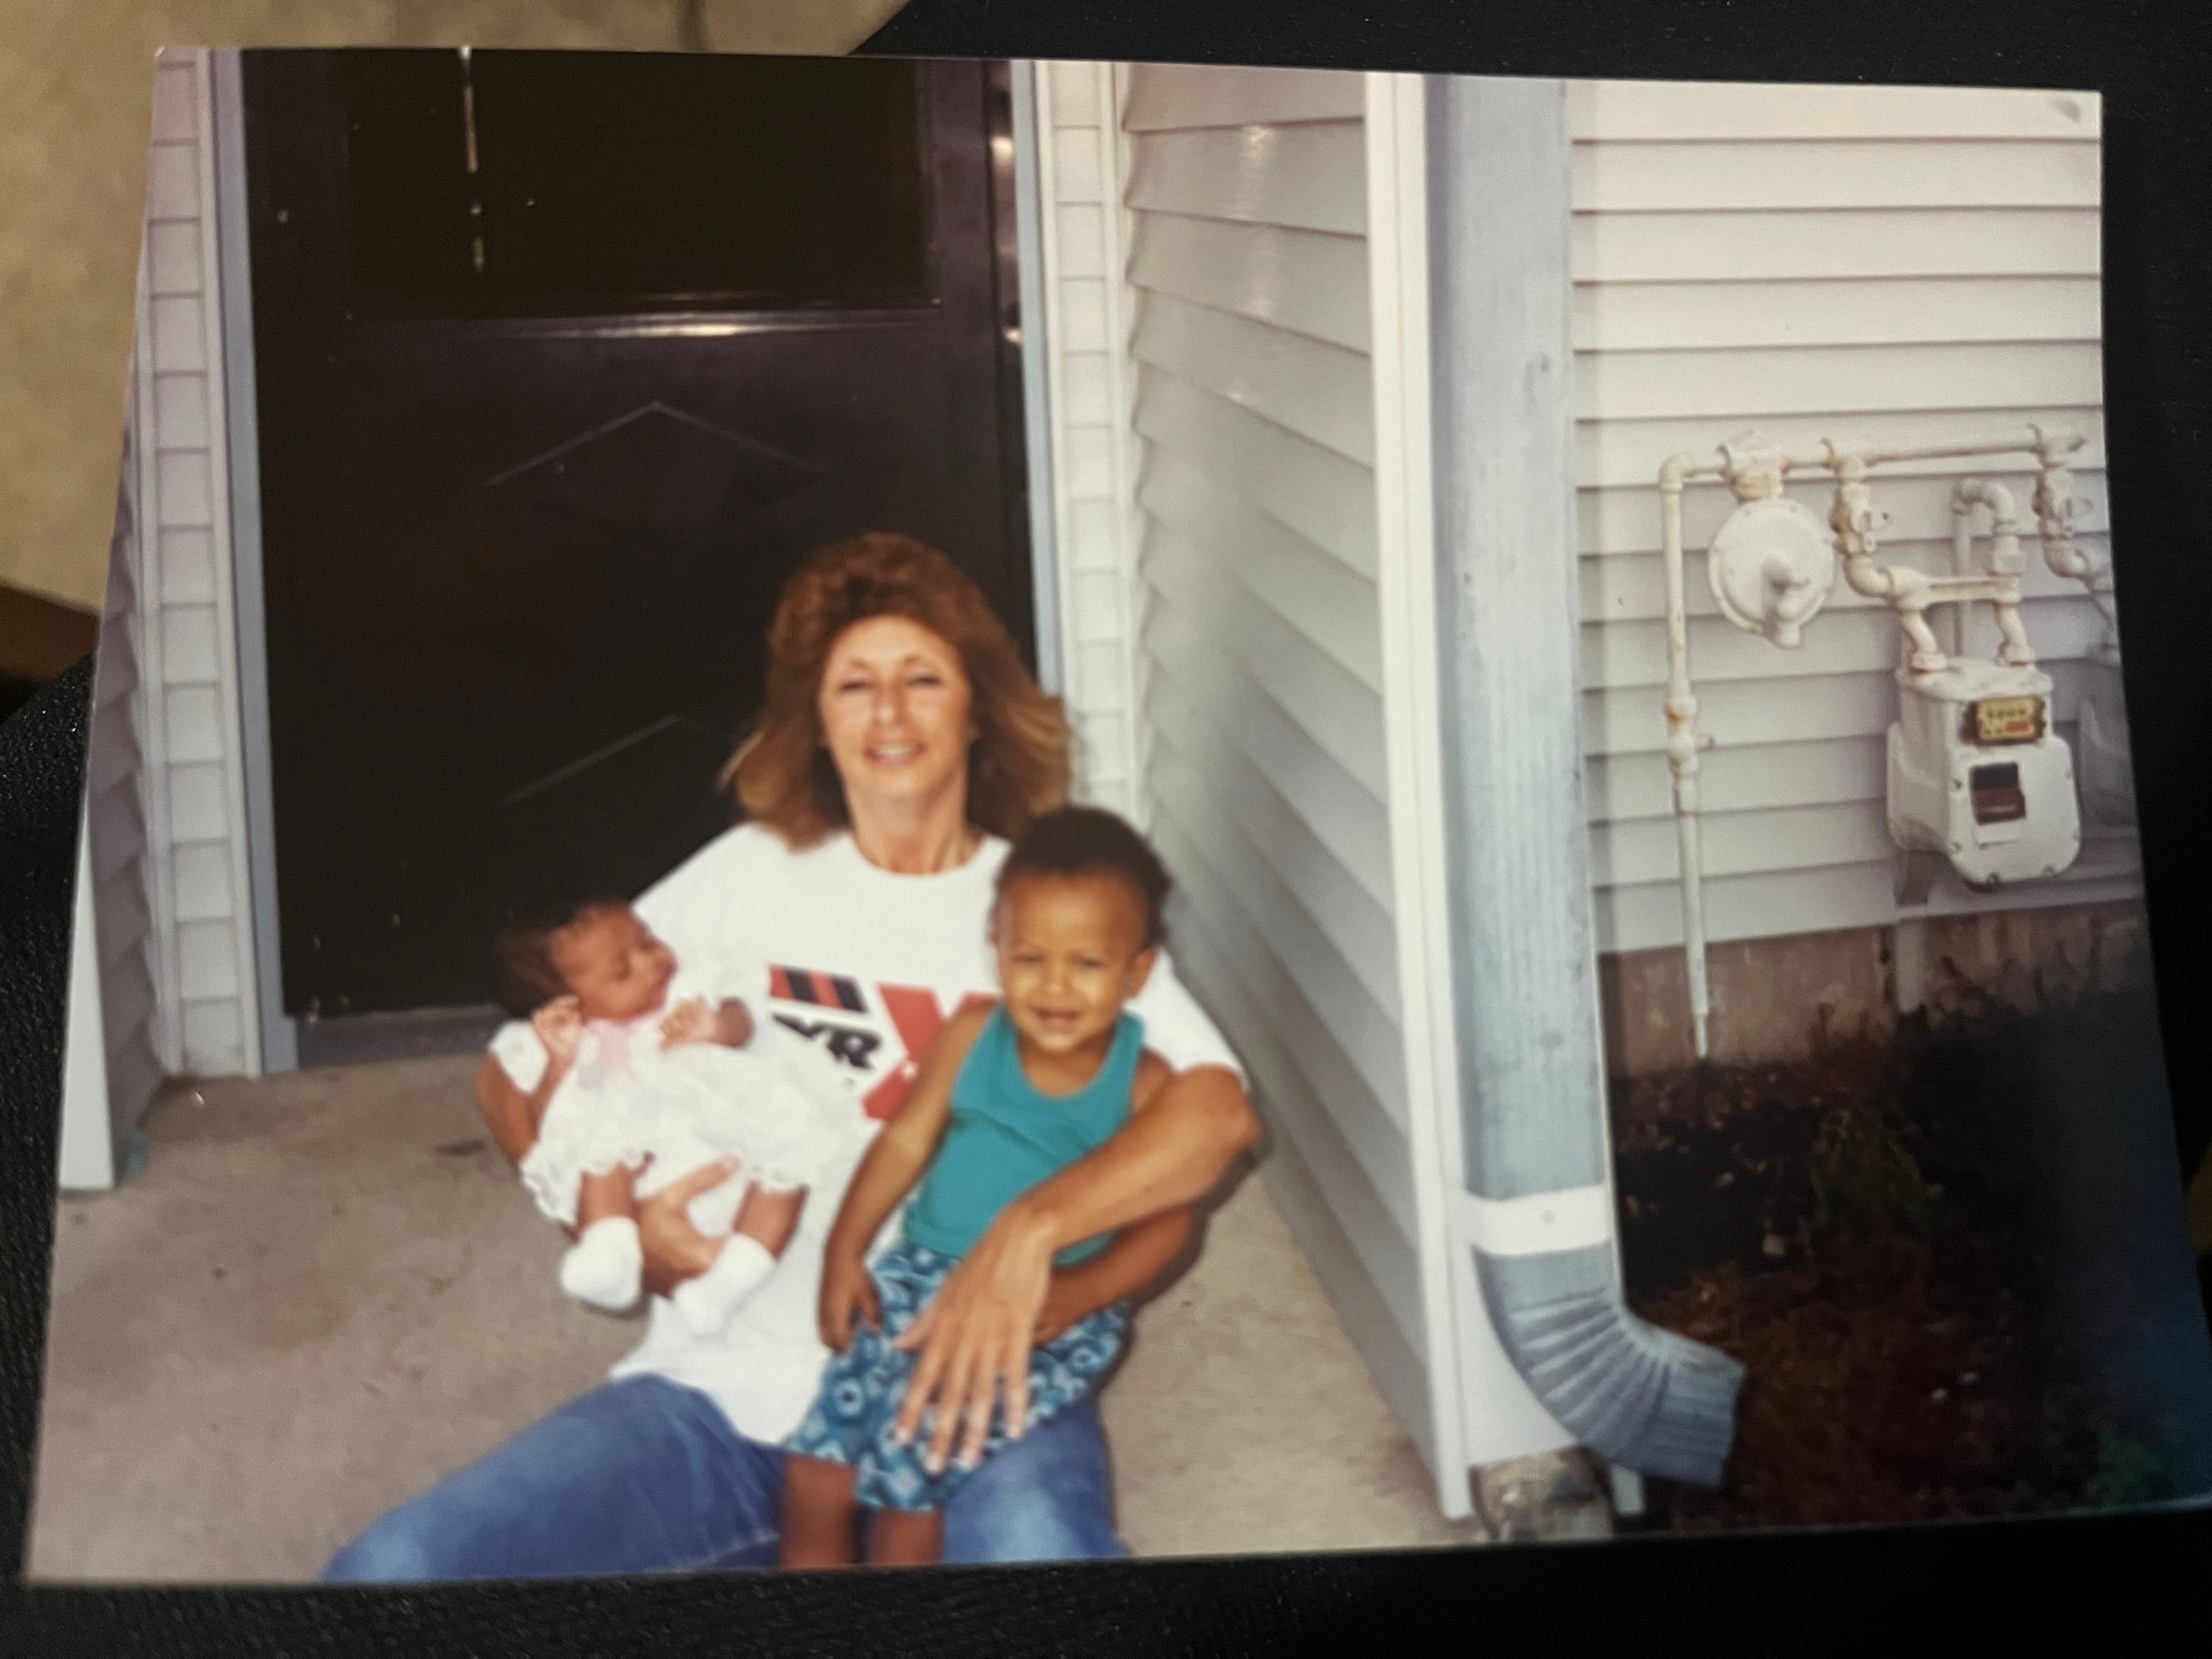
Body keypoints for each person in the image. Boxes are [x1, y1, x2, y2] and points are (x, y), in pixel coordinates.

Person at [324, 533, 1257, 1580]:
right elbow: (509, 1070)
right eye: (854, 685)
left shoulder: (1045, 908)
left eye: (923, 680)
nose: (890, 714)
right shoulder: (746, 875)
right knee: (394, 1572)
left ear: (979, 709)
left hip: (970, 1389)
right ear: (816, 719)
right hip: (727, 1391)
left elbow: (1216, 1117)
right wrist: (615, 1218)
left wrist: (1032, 1232)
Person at [781, 806, 1177, 1566]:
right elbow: (903, 1142)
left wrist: (1081, 1293)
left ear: (1137, 971)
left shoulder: (1146, 1087)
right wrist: (845, 1250)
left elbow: (1166, 1226)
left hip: (1044, 1301)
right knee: (815, 1474)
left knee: (910, 1486)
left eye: (1087, 965)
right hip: (920, 1273)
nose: (1055, 987)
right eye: (1030, 958)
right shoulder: (969, 1037)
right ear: (996, 949)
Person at [489, 896, 862, 1335]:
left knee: (787, 1167)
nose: (652, 962)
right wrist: (559, 1064)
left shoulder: (688, 987)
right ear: (572, 1005)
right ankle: (611, 1251)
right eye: (622, 971)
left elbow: (744, 1015)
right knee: (598, 1155)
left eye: (647, 941)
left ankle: (728, 1284)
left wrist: (718, 1029)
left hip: (722, 1117)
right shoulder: (584, 1045)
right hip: (645, 1150)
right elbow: (553, 1124)